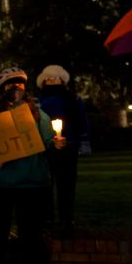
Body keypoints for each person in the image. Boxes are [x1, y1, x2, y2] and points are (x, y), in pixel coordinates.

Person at [0, 67, 66, 264]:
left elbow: (47, 142)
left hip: (32, 182)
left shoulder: (39, 115)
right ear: (2, 89)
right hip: (0, 184)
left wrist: (56, 144)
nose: (16, 87)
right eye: (10, 84)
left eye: (19, 83)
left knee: (31, 232)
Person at [36, 64, 91, 231]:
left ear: (62, 80)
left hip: (69, 144)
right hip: (45, 146)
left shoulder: (73, 98)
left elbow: (82, 119)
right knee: (46, 184)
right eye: (49, 78)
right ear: (44, 81)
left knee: (66, 183)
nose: (53, 80)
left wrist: (84, 140)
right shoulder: (37, 101)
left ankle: (66, 218)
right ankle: (47, 218)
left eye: (56, 77)